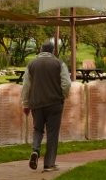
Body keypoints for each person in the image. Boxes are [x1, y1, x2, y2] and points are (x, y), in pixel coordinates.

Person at [21, 40, 71, 172]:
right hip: (54, 103)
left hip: (36, 103)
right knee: (52, 133)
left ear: (41, 49)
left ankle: (35, 150)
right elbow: (66, 83)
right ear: (53, 50)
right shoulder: (59, 63)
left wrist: (26, 104)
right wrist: (64, 95)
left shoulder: (31, 64)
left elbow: (26, 86)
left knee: (37, 129)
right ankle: (49, 164)